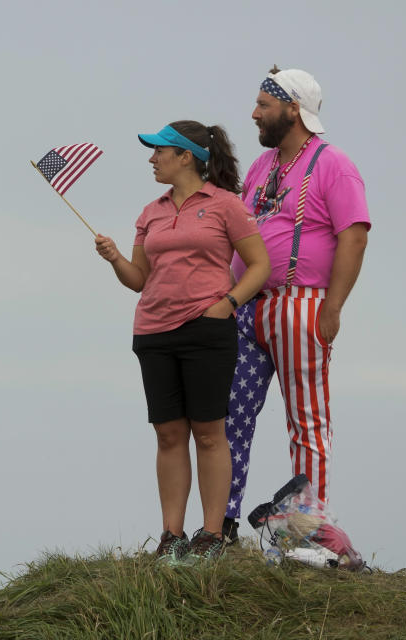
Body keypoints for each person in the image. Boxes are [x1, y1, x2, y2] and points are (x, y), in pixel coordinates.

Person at [95, 121, 270, 564]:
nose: (152, 159)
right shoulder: (149, 212)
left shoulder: (226, 205)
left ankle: (210, 535)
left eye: (160, 151)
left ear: (185, 156)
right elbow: (139, 280)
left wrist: (228, 303)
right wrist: (116, 258)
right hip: (153, 333)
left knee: (209, 434)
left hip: (207, 330)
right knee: (169, 433)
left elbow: (259, 266)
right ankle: (171, 536)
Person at [222, 67, 371, 539]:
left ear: (293, 109)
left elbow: (354, 236)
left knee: (306, 419)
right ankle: (220, 525)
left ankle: (309, 529)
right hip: (249, 307)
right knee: (228, 415)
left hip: (300, 303)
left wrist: (333, 307)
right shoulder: (262, 167)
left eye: (263, 105)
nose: (254, 113)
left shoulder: (334, 164)